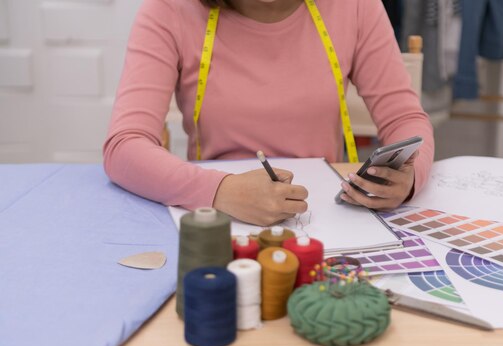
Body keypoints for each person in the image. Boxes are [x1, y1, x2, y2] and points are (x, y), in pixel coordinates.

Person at [103, 0, 434, 226]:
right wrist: (221, 191)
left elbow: (404, 119)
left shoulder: (355, 6)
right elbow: (124, 146)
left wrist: (408, 178)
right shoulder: (171, 9)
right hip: (215, 212)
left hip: (325, 218)